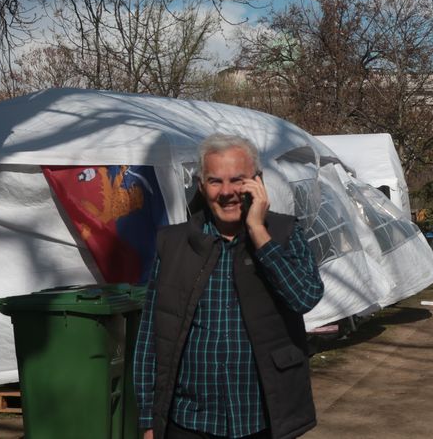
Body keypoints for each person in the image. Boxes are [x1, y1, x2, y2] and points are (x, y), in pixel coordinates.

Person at [134, 133, 324, 439]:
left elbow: (305, 296)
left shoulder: (285, 232)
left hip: (261, 418)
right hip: (189, 421)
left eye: (238, 180)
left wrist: (259, 233)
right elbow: (150, 338)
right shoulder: (173, 243)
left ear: (257, 182)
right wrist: (147, 419)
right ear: (200, 186)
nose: (227, 192)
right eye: (215, 181)